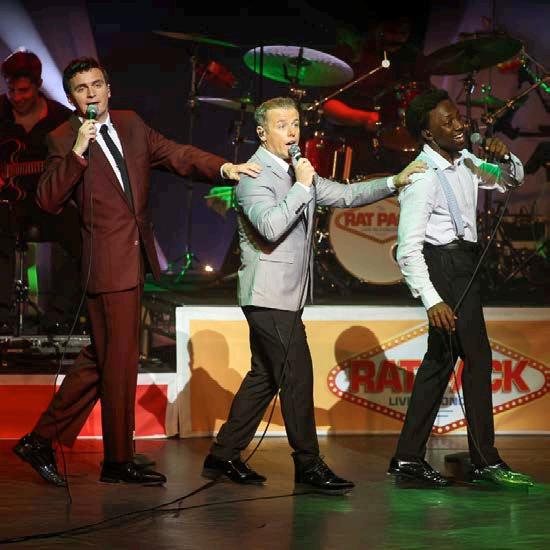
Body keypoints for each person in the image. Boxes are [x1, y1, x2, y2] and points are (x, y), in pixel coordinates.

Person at [13, 57, 261, 486]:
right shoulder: (63, 138)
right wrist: (78, 152)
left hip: (133, 258)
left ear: (109, 88)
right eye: (81, 89)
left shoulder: (130, 124)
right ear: (72, 99)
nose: (91, 93)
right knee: (119, 361)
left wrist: (224, 168)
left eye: (97, 85)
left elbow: (176, 154)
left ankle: (44, 442)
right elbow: (48, 200)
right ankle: (114, 459)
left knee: (107, 357)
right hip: (107, 265)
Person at [202, 96, 427, 495]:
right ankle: (307, 463)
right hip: (268, 296)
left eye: (295, 124)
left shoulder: (296, 170)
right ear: (262, 133)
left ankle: (222, 455)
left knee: (264, 377)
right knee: (297, 376)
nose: (292, 133)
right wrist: (303, 186)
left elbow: (344, 195)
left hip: (284, 297)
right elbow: (270, 228)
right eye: (282, 125)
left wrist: (394, 181)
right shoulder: (254, 176)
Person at [388, 88, 532, 486]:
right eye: (447, 122)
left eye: (457, 117)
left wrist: (505, 158)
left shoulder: (466, 161)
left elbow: (510, 181)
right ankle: (485, 460)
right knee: (478, 358)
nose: (459, 125)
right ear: (428, 133)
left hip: (465, 264)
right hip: (444, 266)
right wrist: (432, 299)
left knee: (439, 362)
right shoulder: (422, 177)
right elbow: (408, 249)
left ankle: (407, 458)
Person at [0, 50, 81, 335]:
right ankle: (2, 318)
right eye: (11, 90)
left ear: (39, 85)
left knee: (82, 233)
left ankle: (59, 316)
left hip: (46, 203)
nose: (16, 97)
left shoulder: (62, 119)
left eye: (23, 91)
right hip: (6, 205)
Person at [322, 17, 431, 174]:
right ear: (378, 28)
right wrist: (365, 118)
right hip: (351, 140)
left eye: (403, 33)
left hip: (399, 146)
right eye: (392, 31)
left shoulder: (413, 59)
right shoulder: (353, 53)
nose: (398, 38)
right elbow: (328, 106)